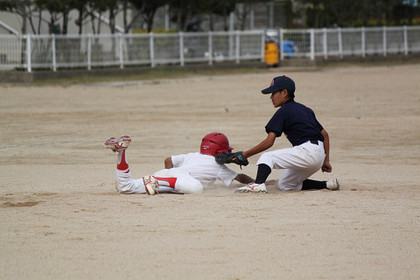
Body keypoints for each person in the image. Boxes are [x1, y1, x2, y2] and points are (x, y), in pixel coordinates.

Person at [234, 75, 340, 193]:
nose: (271, 97)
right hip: (319, 156)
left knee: (267, 157)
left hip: (307, 152)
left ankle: (258, 184)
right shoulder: (306, 109)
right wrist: (326, 161)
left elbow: (269, 142)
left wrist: (245, 155)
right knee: (285, 184)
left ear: (284, 93)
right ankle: (327, 184)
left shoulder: (284, 111)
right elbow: (324, 135)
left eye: (273, 93)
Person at [104, 133, 254, 195]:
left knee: (126, 187)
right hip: (179, 178)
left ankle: (121, 153)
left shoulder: (193, 155)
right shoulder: (219, 167)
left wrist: (168, 173)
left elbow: (168, 160)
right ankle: (161, 183)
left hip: (166, 174)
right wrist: (258, 182)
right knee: (197, 188)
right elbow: (239, 177)